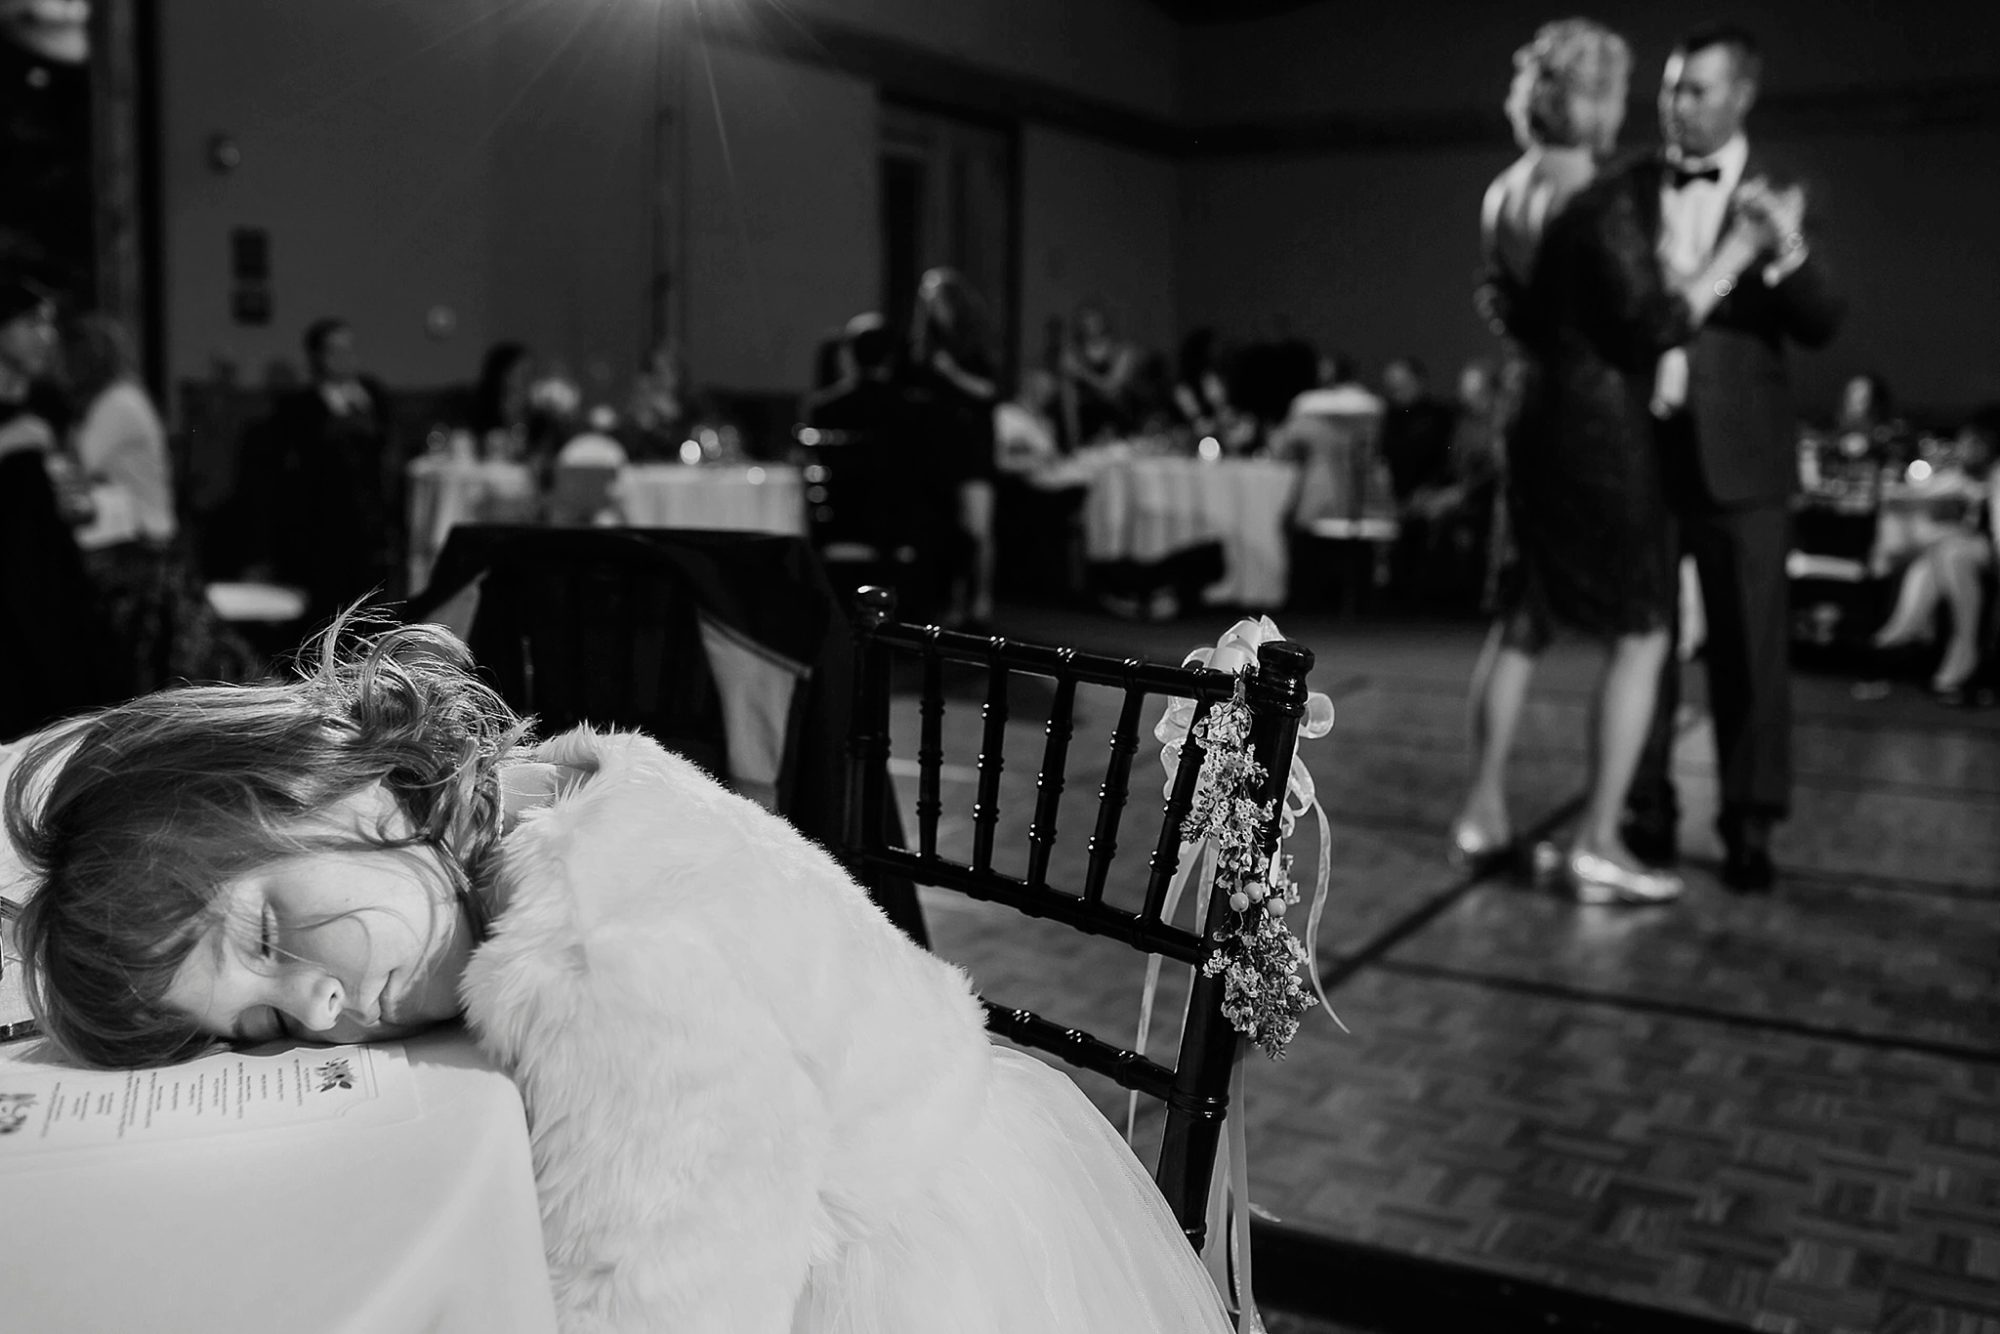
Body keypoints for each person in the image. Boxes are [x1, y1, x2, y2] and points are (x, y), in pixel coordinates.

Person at [5, 616, 1233, 1334]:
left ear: (342, 781)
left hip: (894, 1269)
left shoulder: (606, 965)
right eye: (260, 1022)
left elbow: (663, 1303)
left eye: (269, 936)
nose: (318, 1013)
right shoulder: (531, 806)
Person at [1452, 18, 1772, 905]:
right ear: (1593, 98)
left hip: (1532, 411)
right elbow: (1658, 322)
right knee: (1643, 630)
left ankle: (1480, 812)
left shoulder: (1504, 190)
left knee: (1523, 617)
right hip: (1601, 423)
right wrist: (1734, 257)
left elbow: (1509, 306)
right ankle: (1597, 841)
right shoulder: (1601, 194)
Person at [1625, 25, 1847, 892]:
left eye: (1698, 90)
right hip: (1644, 449)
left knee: (1751, 651)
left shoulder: (1781, 190)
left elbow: (1823, 319)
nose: (1677, 104)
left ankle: (1750, 821)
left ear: (1742, 96)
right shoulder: (1634, 189)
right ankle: (1646, 808)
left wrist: (1786, 248)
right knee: (1644, 643)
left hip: (1744, 461)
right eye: (1672, 87)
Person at [63, 312, 262, 692]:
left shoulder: (118, 404)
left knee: (147, 679)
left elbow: (78, 467)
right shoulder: (121, 398)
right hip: (141, 554)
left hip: (141, 561)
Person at [0, 277, 132, 741]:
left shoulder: (47, 401)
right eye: (33, 322)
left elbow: (64, 495)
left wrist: (74, 498)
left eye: (50, 324)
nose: (48, 336)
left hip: (47, 574)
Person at [270, 317, 398, 625]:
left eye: (348, 349)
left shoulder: (373, 396)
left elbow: (388, 445)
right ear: (316, 357)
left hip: (376, 518)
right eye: (334, 351)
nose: (344, 358)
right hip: (329, 524)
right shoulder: (303, 407)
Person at [1869, 412, 1996, 702]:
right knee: (1931, 563)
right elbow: (1904, 498)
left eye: (1979, 443)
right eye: (1966, 442)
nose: (1970, 449)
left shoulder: (1996, 478)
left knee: (1949, 554)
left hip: (1985, 556)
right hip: (1949, 556)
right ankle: (1906, 633)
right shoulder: (1953, 478)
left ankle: (1957, 646)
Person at [908, 268, 1000, 627]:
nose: (932, 305)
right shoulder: (925, 343)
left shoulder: (974, 341)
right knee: (951, 530)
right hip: (938, 447)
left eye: (937, 297)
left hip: (973, 445)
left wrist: (951, 373)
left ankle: (982, 599)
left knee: (979, 529)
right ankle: (955, 601)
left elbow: (990, 391)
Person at [1058, 302, 1139, 446]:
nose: (1090, 325)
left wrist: (1082, 373)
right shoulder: (1073, 354)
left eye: (1094, 320)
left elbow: (1112, 390)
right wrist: (1073, 440)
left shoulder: (1122, 351)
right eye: (1085, 321)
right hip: (1086, 427)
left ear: (1104, 321)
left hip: (1118, 422)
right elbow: (1068, 399)